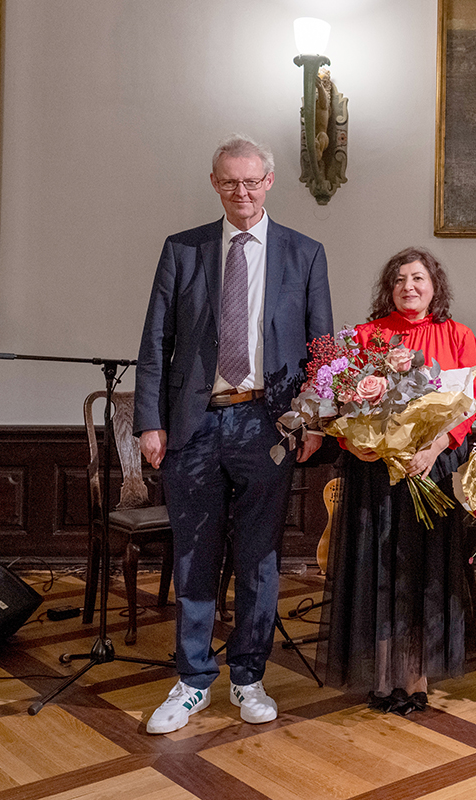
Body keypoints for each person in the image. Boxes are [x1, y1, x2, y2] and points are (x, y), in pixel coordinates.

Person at [134, 133, 333, 734]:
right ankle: (193, 681)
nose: (241, 192)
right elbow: (154, 344)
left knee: (259, 558)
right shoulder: (183, 250)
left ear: (270, 182)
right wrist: (151, 421)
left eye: (252, 181)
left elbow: (322, 351)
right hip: (194, 426)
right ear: (215, 184)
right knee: (194, 555)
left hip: (268, 425)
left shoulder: (305, 253)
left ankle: (248, 676)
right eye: (230, 182)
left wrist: (316, 421)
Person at [318, 247, 476, 714]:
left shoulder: (457, 335)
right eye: (399, 280)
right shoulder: (367, 336)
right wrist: (359, 445)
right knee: (379, 569)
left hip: (434, 468)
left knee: (426, 572)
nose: (408, 287)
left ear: (435, 286)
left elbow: (470, 405)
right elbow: (344, 408)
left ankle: (417, 679)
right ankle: (383, 676)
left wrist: (434, 448)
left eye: (418, 278)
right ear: (388, 288)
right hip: (375, 474)